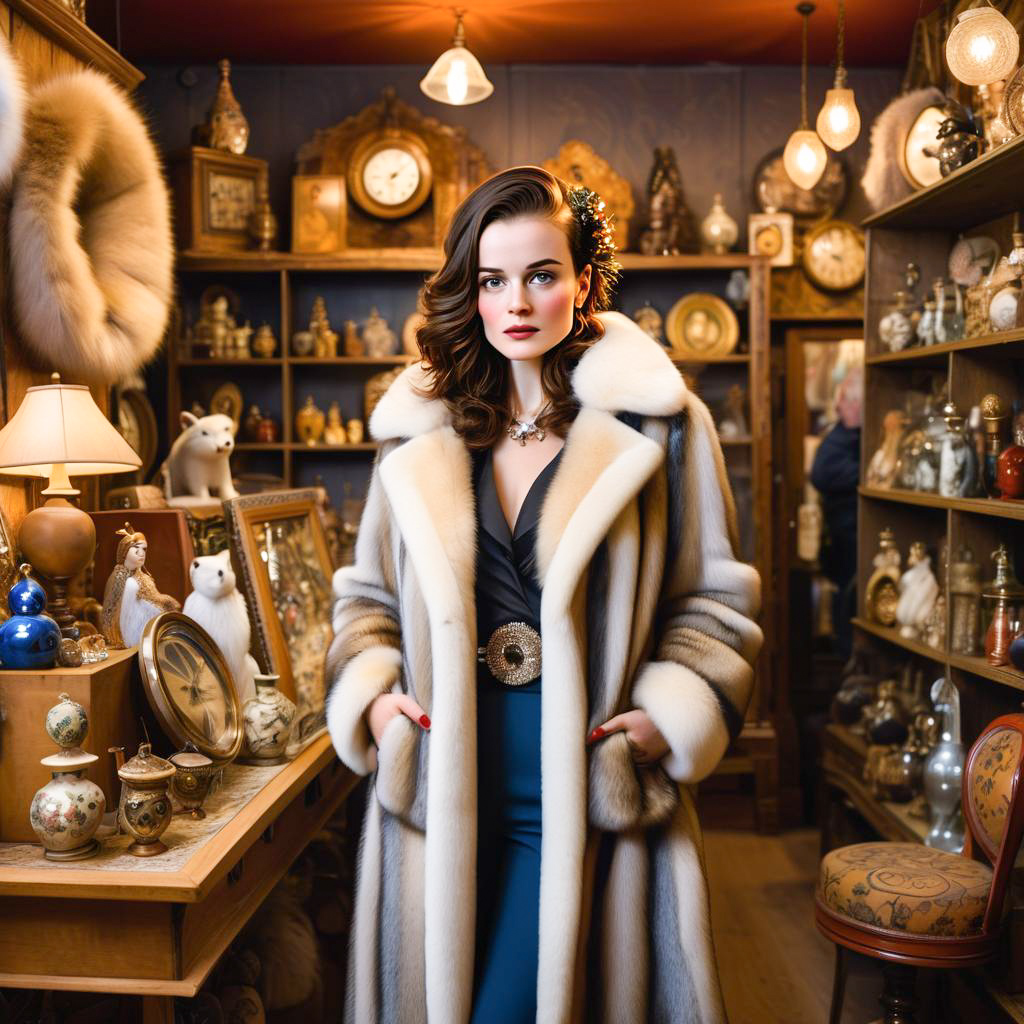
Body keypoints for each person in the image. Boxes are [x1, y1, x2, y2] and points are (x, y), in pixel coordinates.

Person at [325, 165, 762, 1024]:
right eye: (493, 280)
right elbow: (366, 598)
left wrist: (669, 711)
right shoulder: (418, 433)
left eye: (541, 274)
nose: (517, 300)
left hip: (583, 784)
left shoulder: (658, 429)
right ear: (471, 295)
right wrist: (375, 705)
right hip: (441, 787)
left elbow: (713, 600)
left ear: (584, 283)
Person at [810, 368, 863, 657]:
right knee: (847, 607)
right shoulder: (843, 436)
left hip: (855, 541)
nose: (838, 405)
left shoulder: (851, 435)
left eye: (843, 399)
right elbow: (821, 475)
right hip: (846, 542)